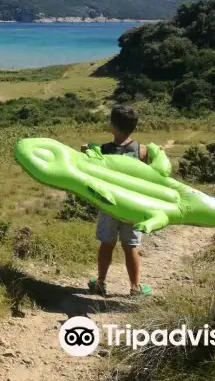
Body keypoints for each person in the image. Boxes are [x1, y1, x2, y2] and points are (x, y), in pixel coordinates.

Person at [81, 104, 153, 297]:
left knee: (107, 244)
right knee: (130, 247)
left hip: (109, 206)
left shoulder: (103, 150)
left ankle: (101, 283)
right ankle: (135, 288)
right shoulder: (142, 151)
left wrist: (86, 150)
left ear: (112, 126)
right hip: (133, 207)